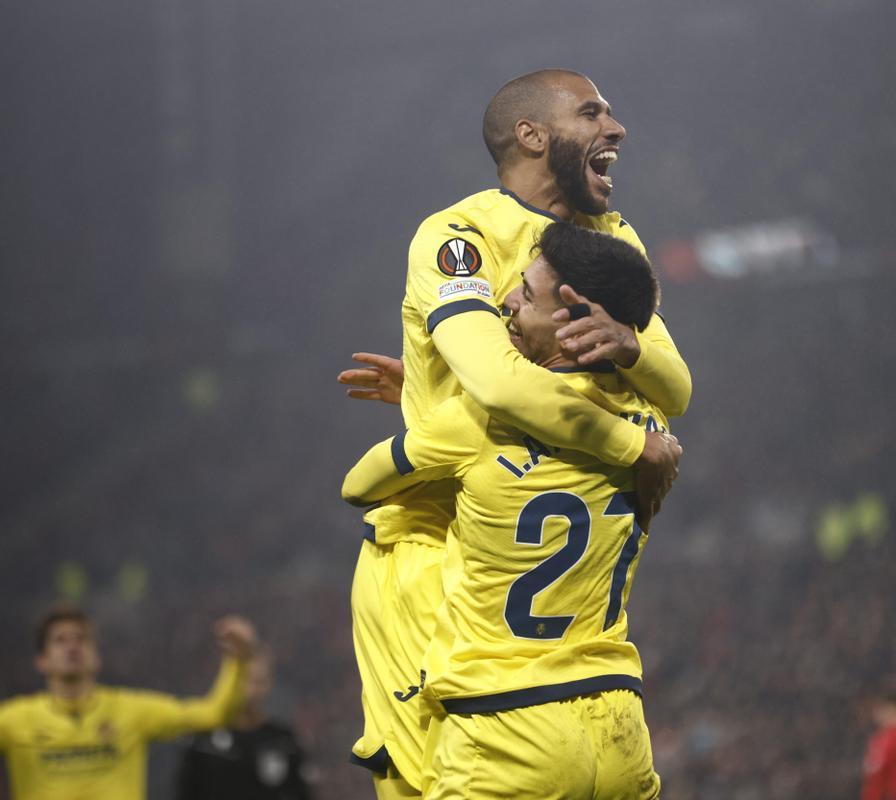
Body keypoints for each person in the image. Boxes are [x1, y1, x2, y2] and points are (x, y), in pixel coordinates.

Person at [337, 69, 690, 797]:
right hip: (435, 558)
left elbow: (675, 386)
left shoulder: (610, 237)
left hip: (513, 558)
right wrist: (632, 443)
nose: (616, 129)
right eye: (591, 112)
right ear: (532, 135)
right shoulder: (458, 235)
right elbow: (497, 383)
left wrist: (630, 345)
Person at [0, 606, 257, 800]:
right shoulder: (15, 719)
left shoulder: (130, 711)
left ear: (96, 656)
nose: (72, 647)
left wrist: (238, 662)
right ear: (41, 661)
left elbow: (214, 714)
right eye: (60, 640)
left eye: (81, 639)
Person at [175, 648, 312, 800]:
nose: (251, 690)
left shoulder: (283, 741)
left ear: (269, 683)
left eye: (259, 681)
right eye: (245, 680)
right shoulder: (204, 741)